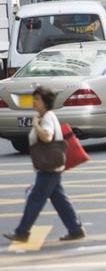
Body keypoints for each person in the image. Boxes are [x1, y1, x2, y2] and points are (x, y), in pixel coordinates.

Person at [3, 87, 85, 243]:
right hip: (51, 165)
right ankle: (75, 229)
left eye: (37, 99)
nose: (33, 102)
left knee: (35, 199)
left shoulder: (46, 117)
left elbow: (47, 137)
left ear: (46, 102)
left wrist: (36, 125)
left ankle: (22, 232)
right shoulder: (45, 116)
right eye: (34, 98)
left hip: (49, 166)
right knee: (59, 199)